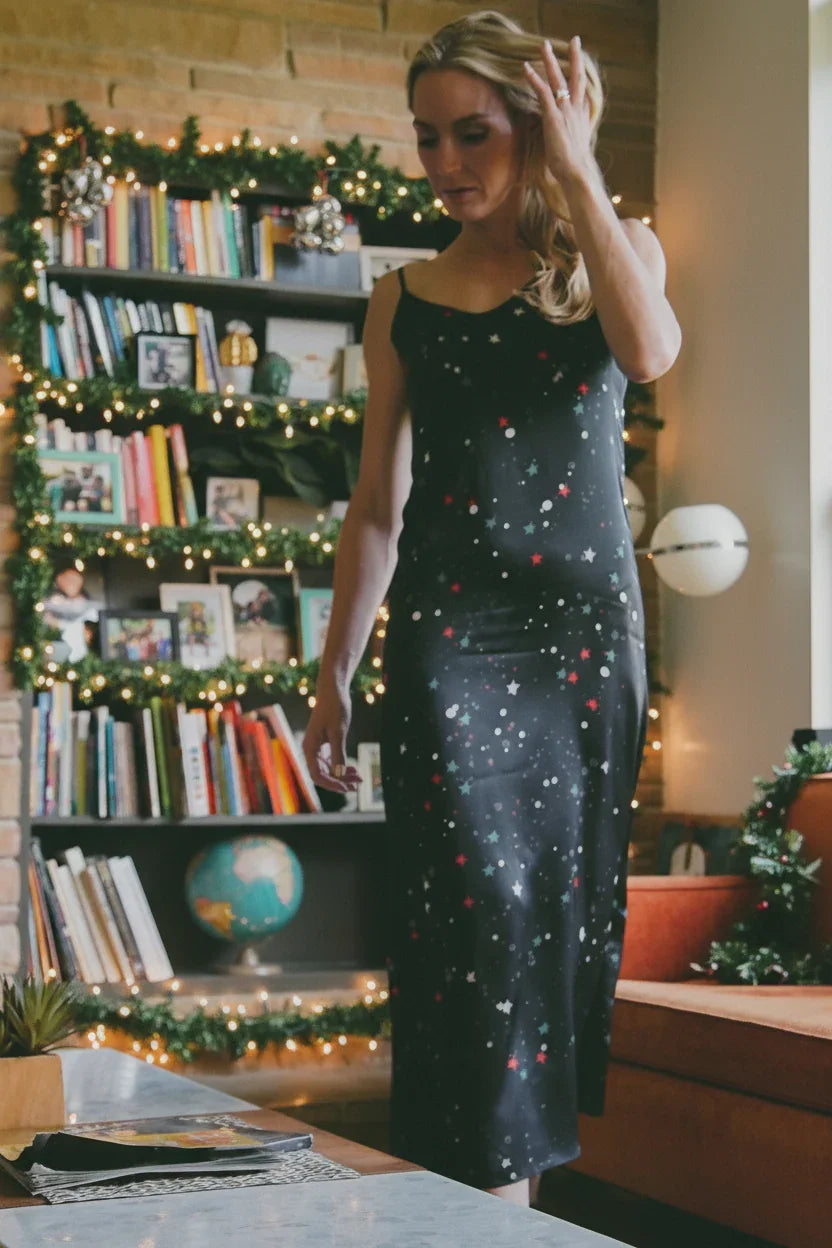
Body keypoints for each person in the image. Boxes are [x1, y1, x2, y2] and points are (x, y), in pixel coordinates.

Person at [302, 9, 681, 1209]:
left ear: (535, 124)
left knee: (549, 913)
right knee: (473, 915)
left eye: (473, 134)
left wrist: (578, 171)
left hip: (580, 639)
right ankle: (486, 1211)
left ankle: (507, 1214)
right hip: (448, 636)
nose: (446, 163)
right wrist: (330, 677)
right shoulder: (401, 298)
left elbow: (654, 350)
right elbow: (373, 506)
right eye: (426, 140)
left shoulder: (620, 252)